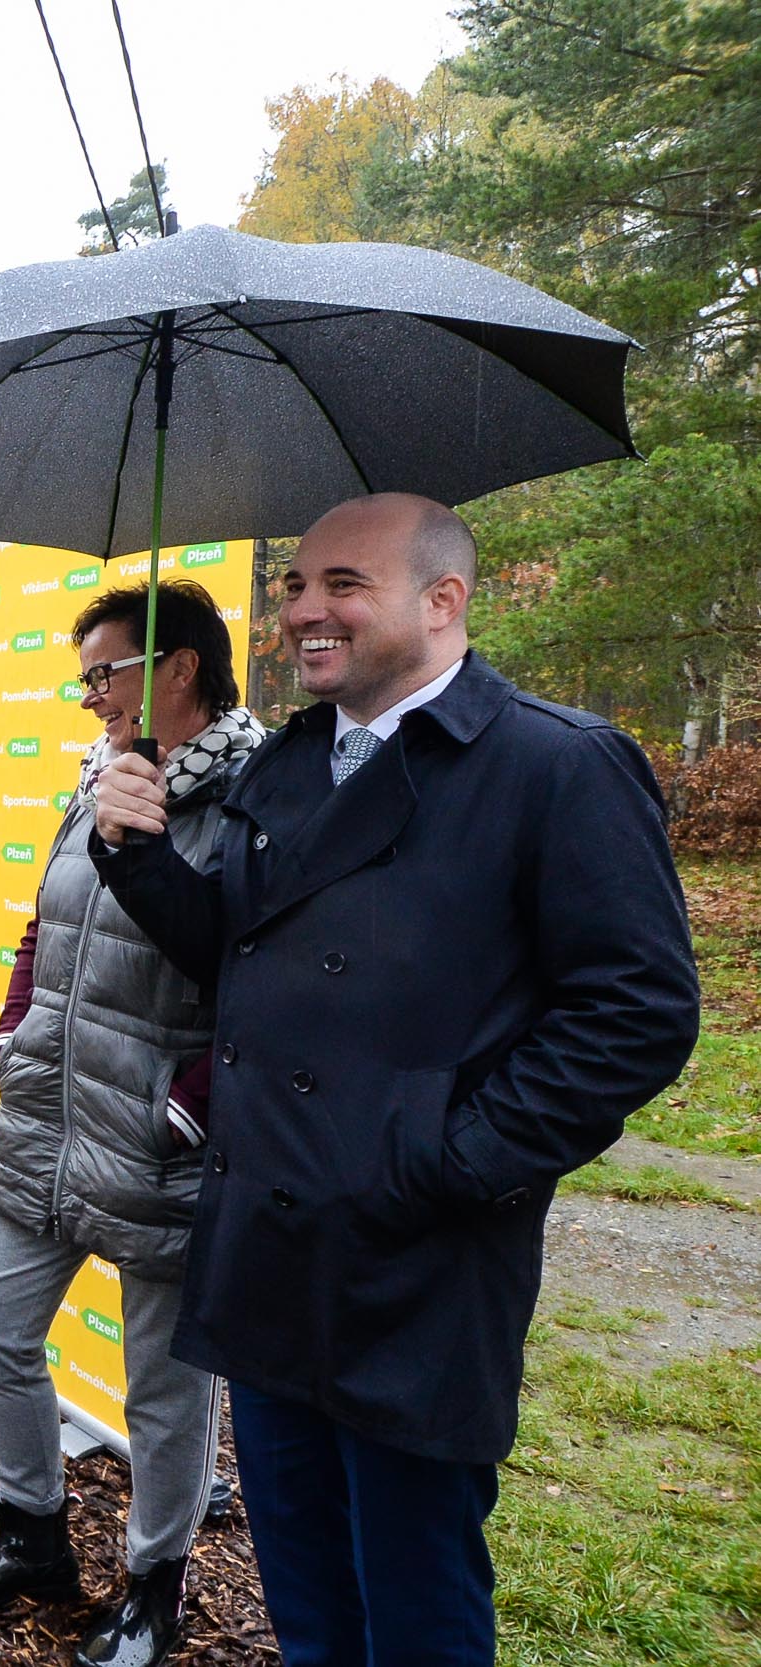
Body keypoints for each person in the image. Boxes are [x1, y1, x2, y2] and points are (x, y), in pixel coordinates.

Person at [88, 494, 701, 1667]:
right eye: (294, 587)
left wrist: (442, 1160)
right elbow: (236, 955)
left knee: (414, 1609)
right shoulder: (293, 758)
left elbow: (638, 1012)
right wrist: (139, 852)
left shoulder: (553, 763)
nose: (306, 612)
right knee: (308, 1599)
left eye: (343, 586)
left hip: (413, 1263)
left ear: (442, 600)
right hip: (266, 1243)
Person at [0, 580, 264, 1667]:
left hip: (160, 1137)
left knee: (164, 1386)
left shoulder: (258, 792)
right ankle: (31, 1534)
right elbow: (44, 921)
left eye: (101, 673)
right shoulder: (97, 782)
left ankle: (151, 1588)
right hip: (53, 1120)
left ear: (175, 668)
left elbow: (262, 975)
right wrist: (11, 1030)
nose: (87, 699)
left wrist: (188, 1104)